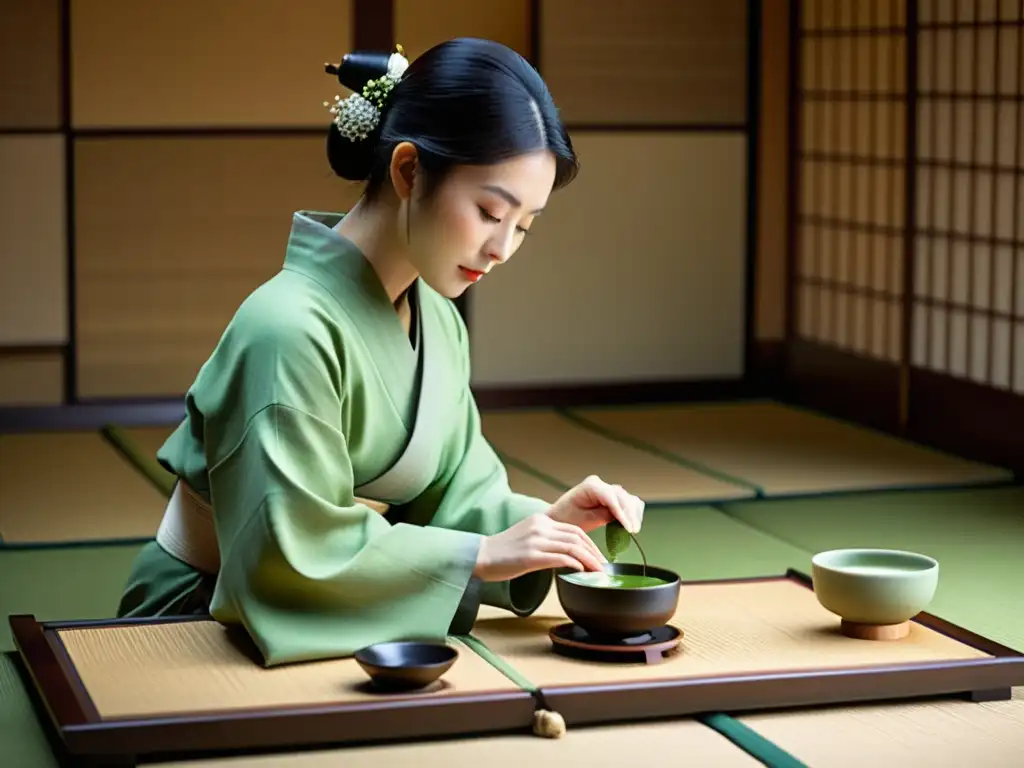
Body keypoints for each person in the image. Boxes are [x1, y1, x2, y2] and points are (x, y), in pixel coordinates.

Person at [116, 38, 645, 666]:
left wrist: (545, 527)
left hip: (354, 615)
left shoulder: (441, 322)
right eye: (488, 211)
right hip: (207, 623)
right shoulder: (283, 328)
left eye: (524, 226)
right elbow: (289, 552)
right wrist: (480, 554)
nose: (503, 248)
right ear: (407, 171)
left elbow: (454, 492)